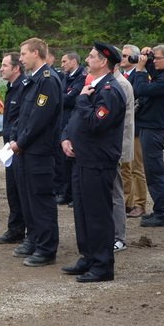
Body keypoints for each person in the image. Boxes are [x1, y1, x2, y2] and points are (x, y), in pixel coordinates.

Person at [60, 43, 126, 282]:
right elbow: (76, 121)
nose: (87, 59)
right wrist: (66, 138)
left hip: (98, 161)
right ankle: (87, 256)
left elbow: (97, 124)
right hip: (82, 159)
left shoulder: (109, 91)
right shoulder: (91, 88)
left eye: (92, 56)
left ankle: (102, 265)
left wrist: (82, 101)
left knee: (97, 214)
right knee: (82, 212)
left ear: (104, 62)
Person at [9, 37, 63, 266]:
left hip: (38, 151)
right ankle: (34, 238)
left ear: (36, 53)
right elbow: (23, 114)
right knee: (27, 198)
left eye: (23, 54)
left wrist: (20, 142)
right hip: (25, 151)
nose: (20, 59)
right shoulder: (33, 80)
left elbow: (39, 119)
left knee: (41, 200)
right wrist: (15, 138)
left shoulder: (48, 81)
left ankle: (46, 247)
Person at [132, 44, 164, 227]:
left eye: (157, 58)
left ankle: (162, 213)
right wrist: (147, 56)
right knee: (151, 172)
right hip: (147, 126)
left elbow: (141, 89)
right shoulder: (162, 76)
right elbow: (152, 72)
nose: (154, 61)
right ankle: (160, 210)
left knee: (154, 172)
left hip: (153, 129)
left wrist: (140, 70)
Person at [0, 52, 28, 245]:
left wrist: (15, 141)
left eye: (5, 65)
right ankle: (15, 229)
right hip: (10, 146)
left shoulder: (24, 87)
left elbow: (22, 119)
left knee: (22, 191)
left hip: (19, 146)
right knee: (12, 191)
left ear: (16, 68)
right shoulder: (12, 87)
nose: (1, 68)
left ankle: (26, 231)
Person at [119, 44, 147, 218]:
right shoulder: (123, 76)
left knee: (137, 168)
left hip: (135, 127)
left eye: (125, 55)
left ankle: (140, 203)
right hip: (124, 127)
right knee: (125, 168)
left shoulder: (140, 75)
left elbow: (140, 99)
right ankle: (127, 202)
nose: (122, 58)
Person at [111, 61, 135, 253]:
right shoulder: (110, 82)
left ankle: (119, 237)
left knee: (115, 193)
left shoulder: (122, 84)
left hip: (115, 147)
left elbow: (123, 122)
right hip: (109, 147)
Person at [57, 51, 86, 206]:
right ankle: (66, 192)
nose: (62, 65)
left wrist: (59, 96)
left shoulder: (81, 77)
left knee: (72, 160)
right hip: (64, 121)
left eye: (64, 61)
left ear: (74, 61)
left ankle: (74, 194)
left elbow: (71, 98)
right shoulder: (66, 77)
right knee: (63, 160)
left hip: (73, 120)